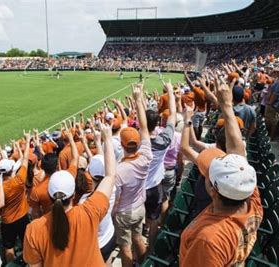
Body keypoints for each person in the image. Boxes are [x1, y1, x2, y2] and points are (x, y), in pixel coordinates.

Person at [179, 74, 263, 265]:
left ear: (213, 192)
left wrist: (225, 106)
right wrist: (226, 106)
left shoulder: (208, 240)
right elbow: (237, 152)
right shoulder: (251, 199)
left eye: (209, 174)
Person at [23, 120, 116, 266]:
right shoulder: (89, 212)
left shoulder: (34, 230)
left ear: (49, 195)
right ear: (73, 195)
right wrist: (108, 140)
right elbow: (110, 176)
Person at [113, 83, 153, 266]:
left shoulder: (119, 170)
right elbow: (144, 128)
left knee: (125, 247)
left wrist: (114, 212)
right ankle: (143, 263)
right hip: (139, 207)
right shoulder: (146, 155)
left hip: (124, 212)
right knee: (138, 237)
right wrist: (138, 100)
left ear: (121, 145)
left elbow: (118, 197)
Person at [144, 82, 177, 251]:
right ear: (157, 124)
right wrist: (171, 92)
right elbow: (172, 115)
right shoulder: (163, 141)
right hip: (154, 188)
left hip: (138, 188)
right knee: (154, 221)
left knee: (140, 222)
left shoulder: (136, 143)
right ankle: (150, 249)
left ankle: (138, 253)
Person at [0, 131, 32, 263]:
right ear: (11, 170)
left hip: (8, 221)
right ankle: (29, 261)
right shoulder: (19, 180)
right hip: (23, 216)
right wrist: (28, 139)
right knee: (27, 242)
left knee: (9, 247)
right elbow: (25, 160)